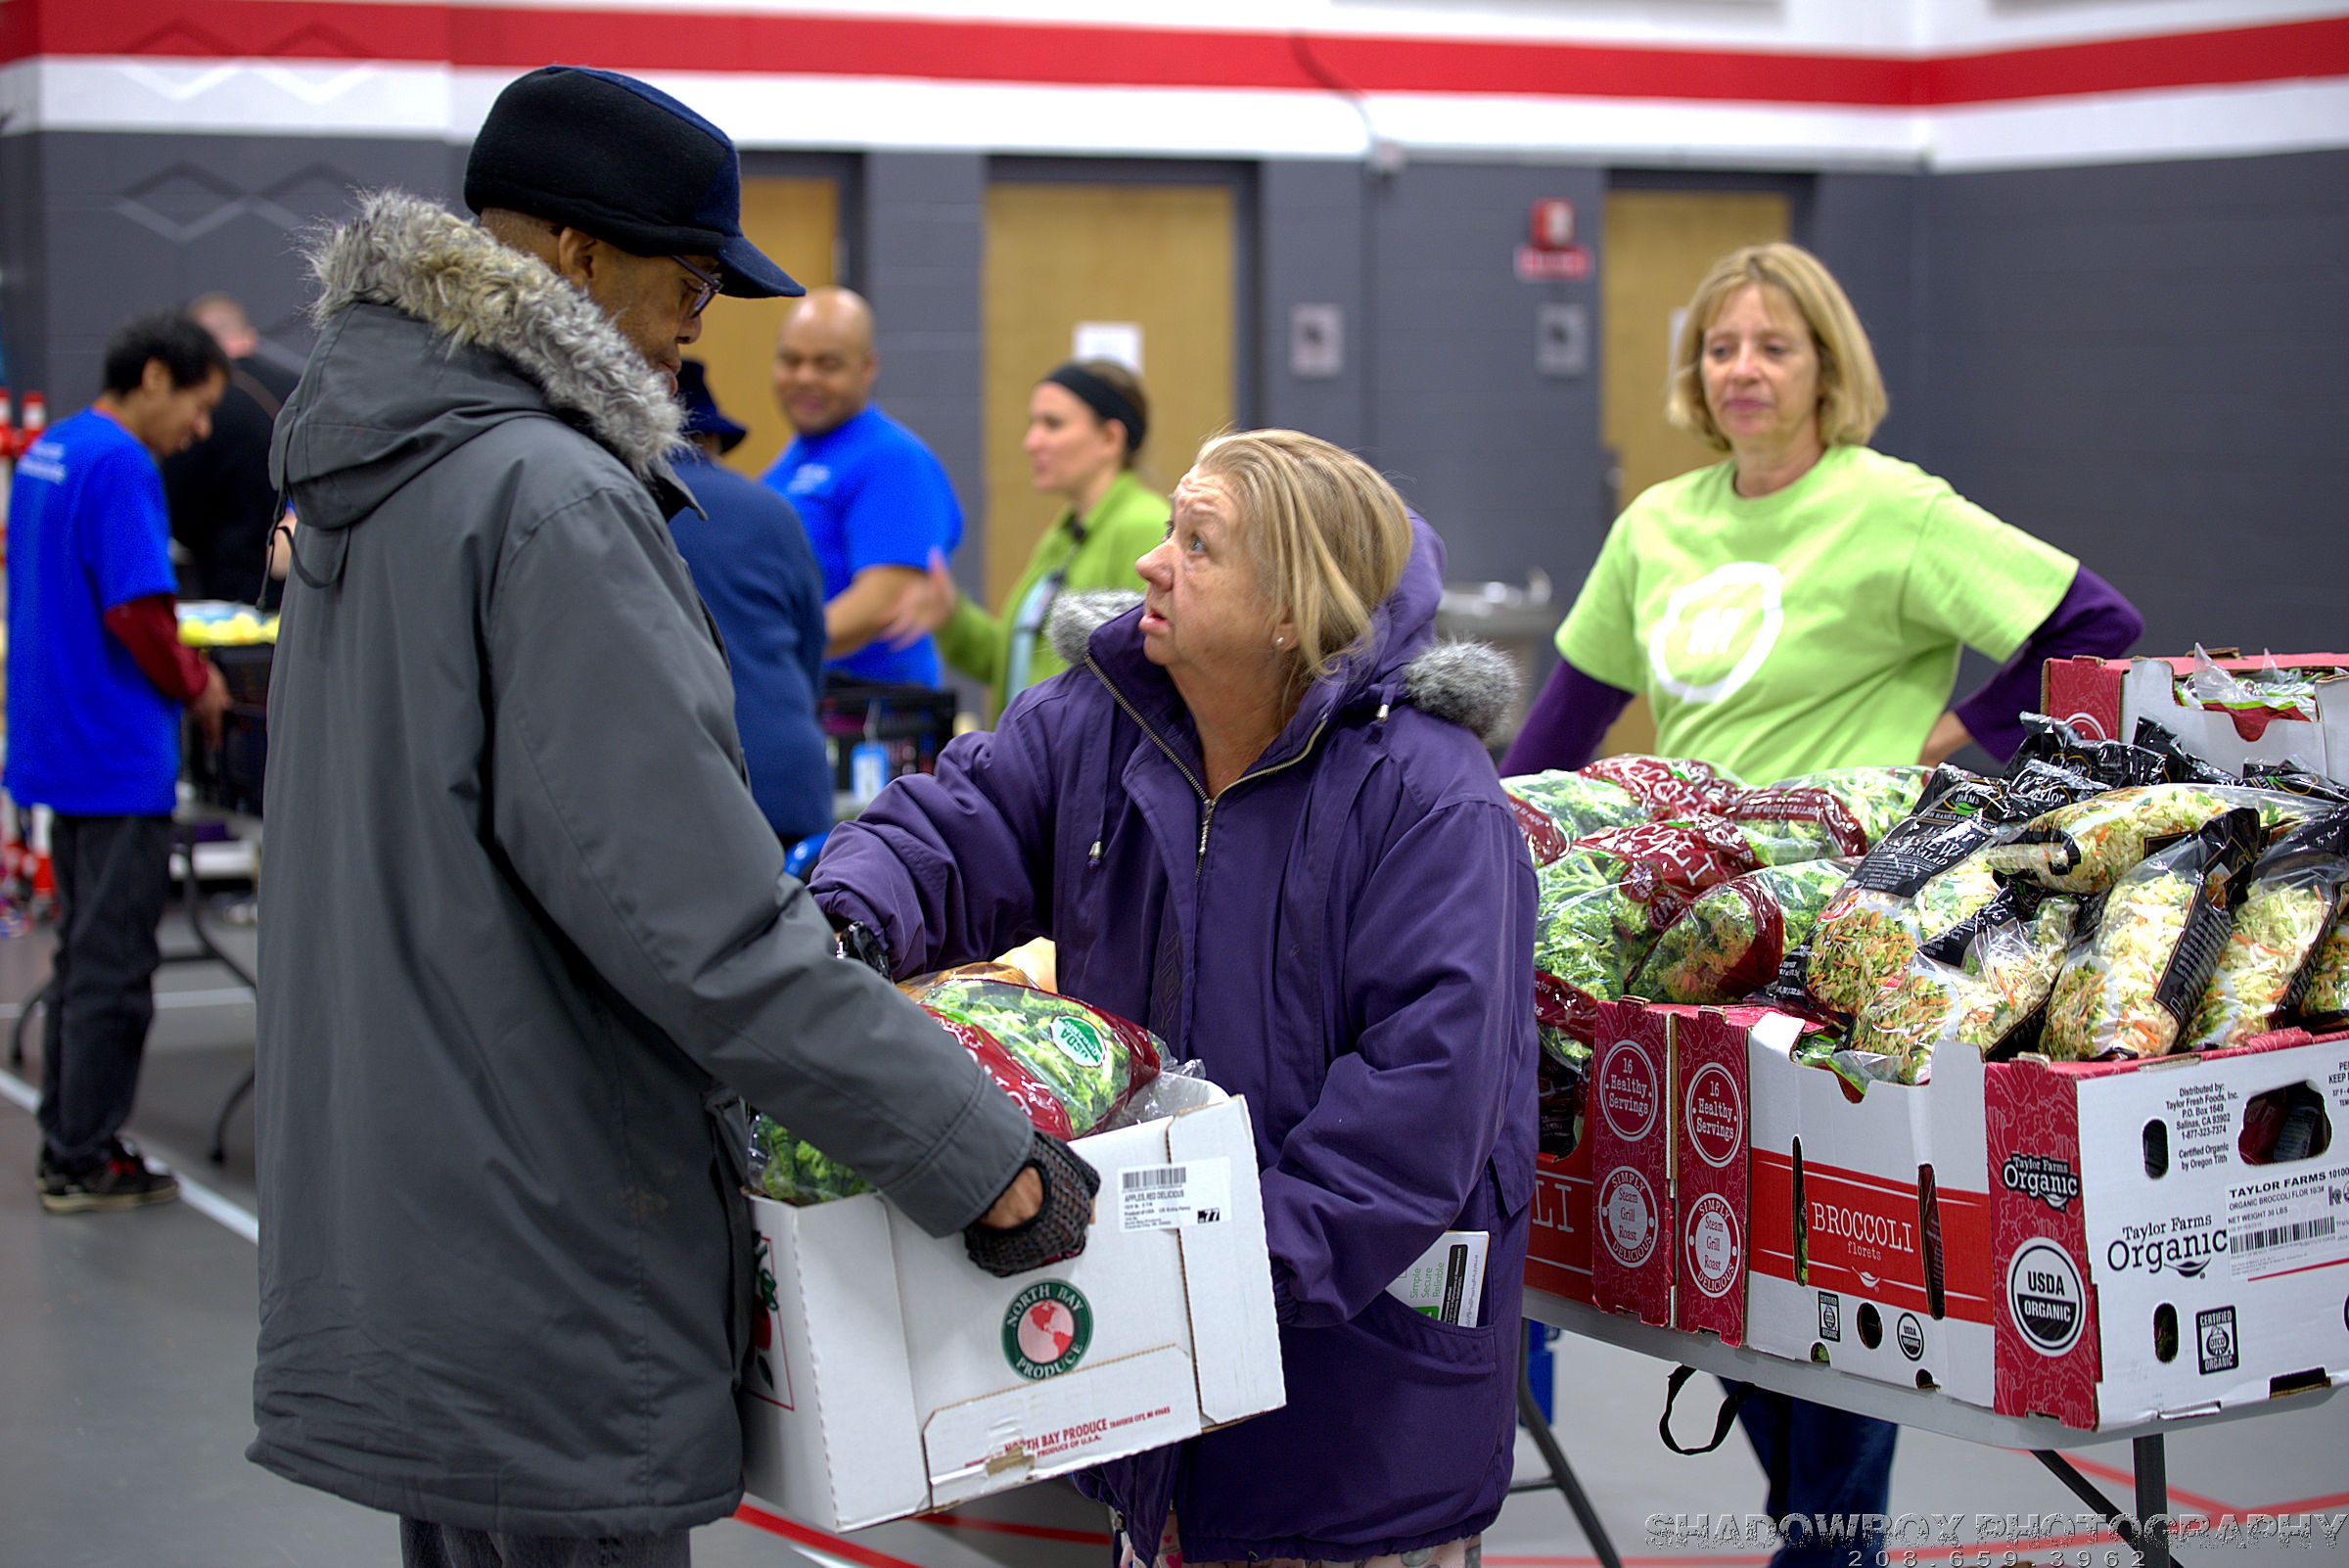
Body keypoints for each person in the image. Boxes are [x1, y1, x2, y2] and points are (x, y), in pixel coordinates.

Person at [249, 66, 1092, 1568]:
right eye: (692, 280)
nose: (703, 325)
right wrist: (982, 1151)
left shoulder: (371, 472)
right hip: (549, 1242)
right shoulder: (551, 500)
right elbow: (699, 928)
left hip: (416, 1219)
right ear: (573, 256)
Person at [1501, 242, 2143, 1568]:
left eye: (1773, 345)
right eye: (1721, 346)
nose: (1743, 368)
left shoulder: (1893, 506)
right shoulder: (1658, 525)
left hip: (1841, 914)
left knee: (1827, 1250)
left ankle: (1829, 1544)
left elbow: (2094, 621)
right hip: (1680, 925)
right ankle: (1815, 1529)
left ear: (1827, 367)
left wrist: (1949, 741)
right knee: (1716, 1248)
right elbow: (1559, 724)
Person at [811, 430, 1539, 1568]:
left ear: (1293, 611)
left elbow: (1419, 1113)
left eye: (1199, 545)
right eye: (1167, 532)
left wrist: (1201, 1283)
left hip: (1346, 1407)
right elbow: (953, 830)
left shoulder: (1432, 803)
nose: (1154, 562)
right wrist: (838, 927)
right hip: (1147, 1382)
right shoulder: (1103, 725)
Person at [6, 309, 231, 1213]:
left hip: (58, 742)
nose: (201, 430)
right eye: (198, 405)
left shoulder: (51, 450)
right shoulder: (120, 464)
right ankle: (83, 1158)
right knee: (112, 965)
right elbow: (140, 613)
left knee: (80, 955)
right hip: (111, 751)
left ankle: (69, 1139)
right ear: (151, 378)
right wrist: (197, 683)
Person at [888, 358, 1170, 719]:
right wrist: (951, 617)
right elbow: (1013, 668)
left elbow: (1145, 674)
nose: (1031, 442)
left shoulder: (1142, 525)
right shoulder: (1064, 534)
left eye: (1052, 424)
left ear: (1110, 438)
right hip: (1033, 762)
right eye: (1032, 424)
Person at [666, 358, 832, 847]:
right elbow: (810, 650)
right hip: (789, 781)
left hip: (688, 788)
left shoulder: (620, 501)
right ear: (711, 442)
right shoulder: (772, 510)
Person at [762, 286, 963, 686]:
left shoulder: (891, 459)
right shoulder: (795, 458)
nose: (804, 377)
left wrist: (762, 652)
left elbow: (882, 602)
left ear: (867, 368)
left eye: (827, 364)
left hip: (867, 718)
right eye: (791, 360)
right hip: (805, 697)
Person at [161, 293, 299, 604]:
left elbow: (179, 510)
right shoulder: (302, 387)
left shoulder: (204, 403)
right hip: (309, 584)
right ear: (248, 336)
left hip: (234, 593)